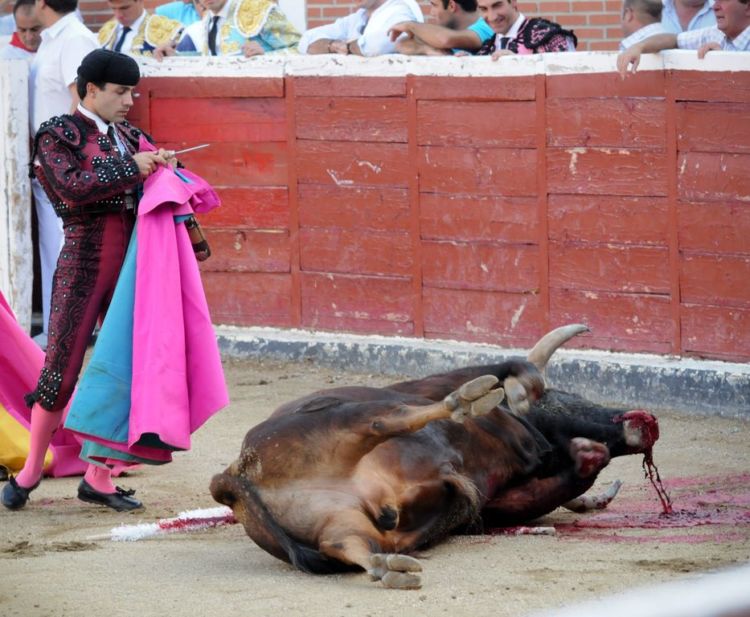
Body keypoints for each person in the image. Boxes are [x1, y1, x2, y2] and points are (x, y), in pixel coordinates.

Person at [1, 49, 172, 512]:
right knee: (60, 368)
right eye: (120, 92)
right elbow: (72, 187)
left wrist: (165, 170)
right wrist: (132, 168)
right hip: (81, 264)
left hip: (133, 268)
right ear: (90, 89)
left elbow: (156, 189)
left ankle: (99, 476)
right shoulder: (58, 133)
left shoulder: (132, 137)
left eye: (132, 92)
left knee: (122, 368)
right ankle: (33, 467)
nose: (129, 101)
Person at [28, 0, 98, 352]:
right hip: (50, 164)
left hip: (65, 167)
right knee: (55, 247)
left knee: (66, 248)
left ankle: (68, 333)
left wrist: (65, 160)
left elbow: (83, 103)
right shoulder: (55, 38)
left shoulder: (73, 38)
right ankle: (61, 332)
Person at [618, 0, 750, 75]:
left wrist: (723, 60)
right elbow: (675, 39)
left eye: (724, 0)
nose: (715, 7)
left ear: (748, 8)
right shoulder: (715, 34)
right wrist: (639, 46)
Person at [157, 0, 299, 58]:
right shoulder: (207, 19)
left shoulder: (258, 10)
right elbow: (212, 62)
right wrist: (172, 56)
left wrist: (266, 57)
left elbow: (300, 48)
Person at [299, 0, 424, 56]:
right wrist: (333, 45)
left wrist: (347, 47)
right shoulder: (359, 17)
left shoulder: (402, 9)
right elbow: (306, 40)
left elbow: (380, 44)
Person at [474, 0, 577, 58]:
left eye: (497, 5)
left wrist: (521, 64)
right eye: (483, 9)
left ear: (513, 2)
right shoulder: (486, 48)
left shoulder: (550, 37)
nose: (492, 17)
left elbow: (569, 84)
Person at [388, 0, 495, 56]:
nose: (431, 12)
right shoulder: (448, 30)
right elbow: (401, 43)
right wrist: (427, 49)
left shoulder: (486, 26)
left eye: (434, 5)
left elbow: (446, 40)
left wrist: (410, 25)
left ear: (451, 6)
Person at [97, 0, 182, 57]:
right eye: (113, 8)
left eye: (125, 8)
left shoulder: (167, 30)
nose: (119, 15)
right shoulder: (106, 30)